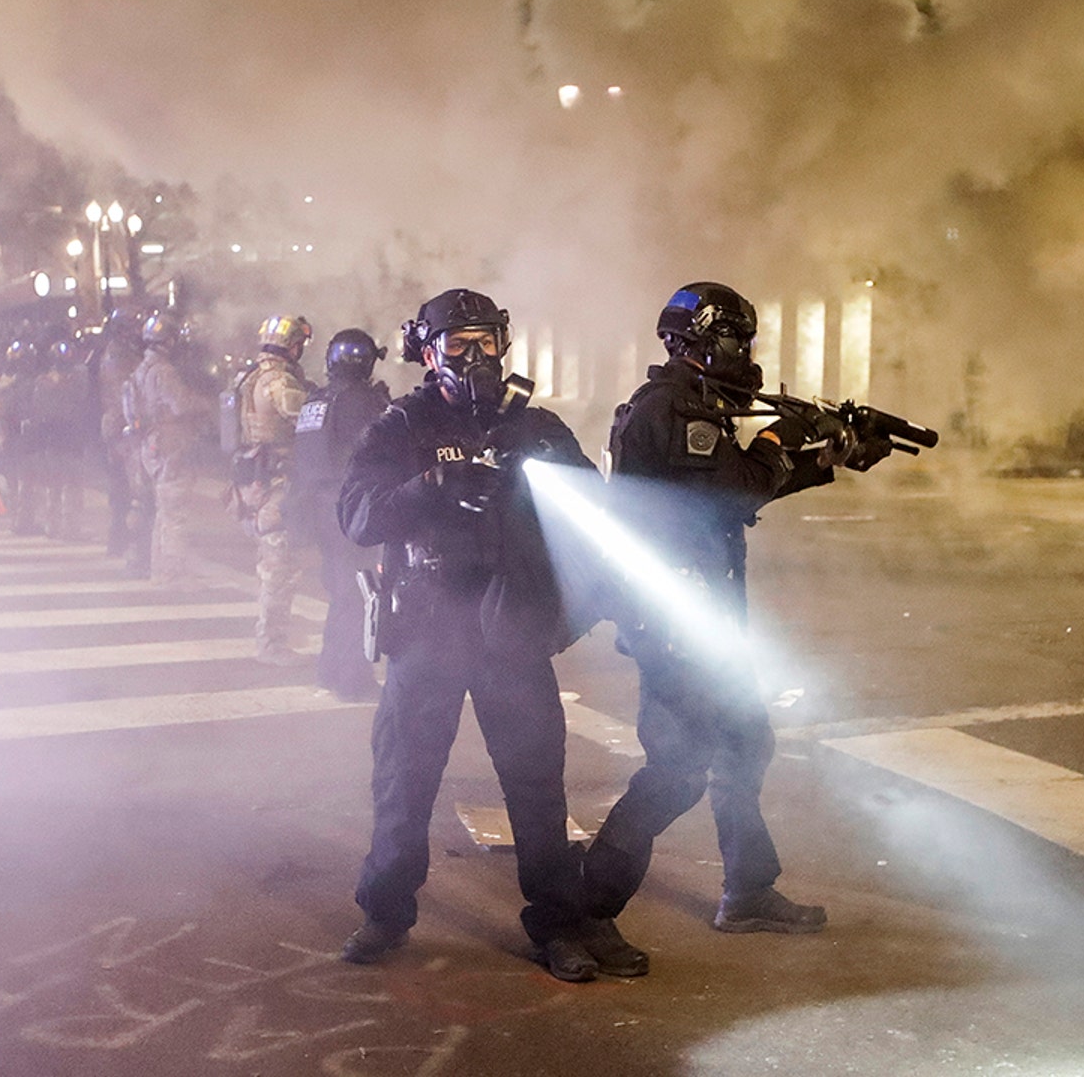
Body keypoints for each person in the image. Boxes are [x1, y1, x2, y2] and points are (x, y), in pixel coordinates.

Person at [579, 281, 889, 975]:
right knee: (678, 770)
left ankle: (747, 890)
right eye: (733, 339)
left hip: (705, 616)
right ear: (696, 341)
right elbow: (737, 486)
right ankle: (585, 910)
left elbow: (737, 484)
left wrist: (829, 456)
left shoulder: (697, 408)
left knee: (746, 742)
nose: (743, 352)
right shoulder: (672, 409)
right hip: (672, 620)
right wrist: (786, 438)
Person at [336, 288, 600, 982]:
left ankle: (558, 926)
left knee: (538, 787)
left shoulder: (535, 426)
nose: (474, 357)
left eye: (485, 341)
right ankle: (385, 912)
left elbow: (591, 510)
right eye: (457, 344)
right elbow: (359, 517)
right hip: (427, 629)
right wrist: (431, 483)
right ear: (426, 351)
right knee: (405, 779)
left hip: (511, 630)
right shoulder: (400, 425)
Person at [292, 328, 392, 701]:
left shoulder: (315, 401)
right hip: (349, 508)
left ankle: (330, 670)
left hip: (317, 509)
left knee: (341, 592)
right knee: (359, 595)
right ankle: (353, 679)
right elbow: (378, 451)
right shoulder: (361, 402)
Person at [232, 314, 312, 664]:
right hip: (276, 482)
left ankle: (272, 638)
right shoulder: (279, 381)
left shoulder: (249, 378)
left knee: (272, 563)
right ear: (292, 345)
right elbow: (308, 420)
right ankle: (271, 644)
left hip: (256, 481)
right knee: (279, 567)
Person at [128, 308, 215, 585]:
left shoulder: (140, 370)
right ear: (168, 341)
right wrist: (207, 404)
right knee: (175, 512)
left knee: (162, 512)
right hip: (170, 444)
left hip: (151, 444)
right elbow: (181, 404)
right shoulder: (164, 372)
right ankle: (173, 573)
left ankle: (160, 570)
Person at [96, 309, 148, 561]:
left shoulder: (114, 353)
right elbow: (123, 395)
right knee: (131, 492)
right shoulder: (119, 356)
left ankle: (120, 541)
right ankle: (131, 547)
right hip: (122, 430)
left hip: (116, 428)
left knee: (122, 492)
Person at [28, 336, 93, 540]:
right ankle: (67, 527)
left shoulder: (44, 381)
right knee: (69, 483)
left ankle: (55, 525)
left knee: (56, 483)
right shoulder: (76, 377)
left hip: (58, 435)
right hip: (65, 435)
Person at [0, 338, 45, 535]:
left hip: (3, 433)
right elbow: (32, 408)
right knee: (26, 480)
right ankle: (24, 521)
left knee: (13, 480)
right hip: (21, 433)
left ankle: (16, 519)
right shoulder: (26, 383)